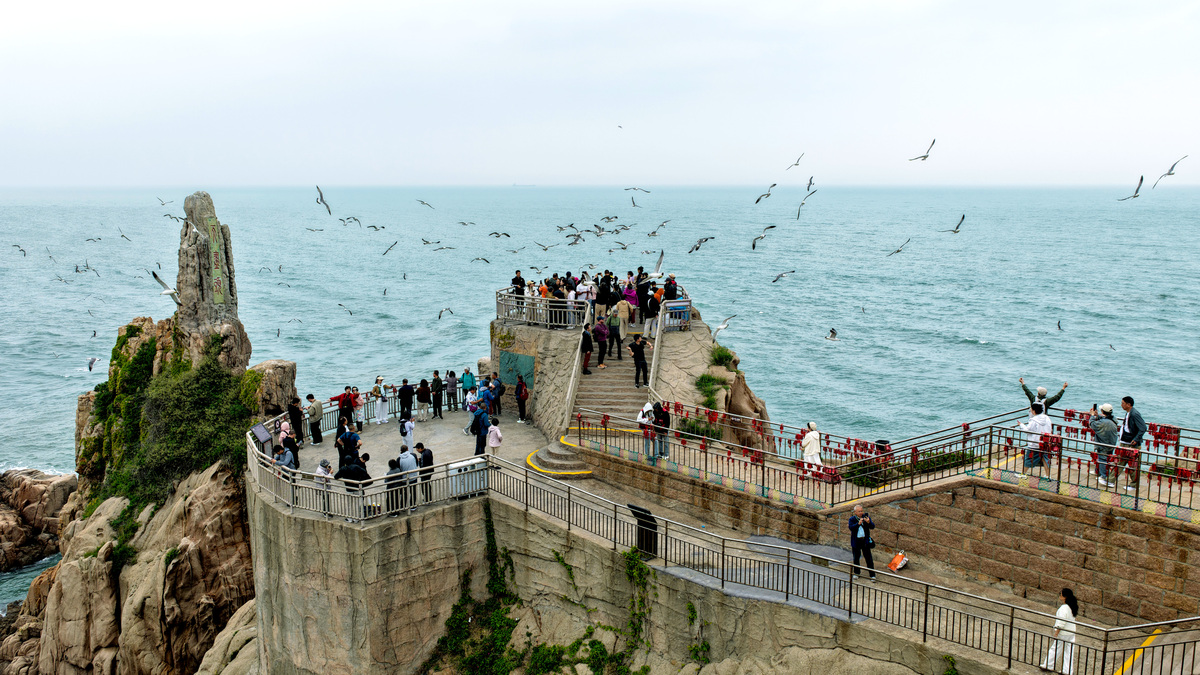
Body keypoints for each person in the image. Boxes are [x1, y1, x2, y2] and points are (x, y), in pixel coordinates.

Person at [1040, 589, 1079, 674]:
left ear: (1064, 597)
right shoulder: (1072, 606)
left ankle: (1048, 665)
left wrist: (1056, 632)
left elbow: (1061, 622)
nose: (1059, 596)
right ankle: (1067, 670)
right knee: (1069, 652)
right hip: (1071, 632)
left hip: (1063, 633)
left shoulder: (1064, 608)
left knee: (1055, 649)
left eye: (1061, 594)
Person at [1115, 396, 1148, 492]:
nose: (1121, 405)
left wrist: (1136, 439)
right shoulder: (1129, 413)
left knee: (1132, 465)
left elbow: (1143, 428)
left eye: (1123, 403)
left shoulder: (1134, 414)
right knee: (1120, 462)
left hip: (1131, 444)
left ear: (1128, 404)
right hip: (1126, 441)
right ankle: (1111, 480)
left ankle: (1134, 485)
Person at [1018, 402, 1053, 479]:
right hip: (1045, 442)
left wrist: (1021, 425)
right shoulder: (1047, 418)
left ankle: (1023, 474)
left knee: (1028, 459)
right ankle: (1048, 475)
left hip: (1035, 443)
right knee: (1045, 459)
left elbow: (1027, 430)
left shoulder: (1034, 420)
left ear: (1033, 411)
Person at [333, 453, 372, 521]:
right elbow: (364, 472)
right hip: (357, 488)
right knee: (357, 504)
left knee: (349, 504)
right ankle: (357, 519)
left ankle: (349, 518)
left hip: (349, 489)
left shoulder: (343, 469)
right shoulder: (356, 467)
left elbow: (336, 476)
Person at [1089, 403, 1119, 488]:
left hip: (1103, 443)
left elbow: (1092, 424)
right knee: (1106, 458)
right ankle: (1098, 471)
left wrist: (1092, 416)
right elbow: (1105, 419)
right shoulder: (1113, 419)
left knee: (1102, 459)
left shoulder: (1103, 422)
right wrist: (1097, 416)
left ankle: (1104, 477)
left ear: (1102, 411)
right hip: (1111, 442)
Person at [848, 505, 877, 581]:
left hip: (865, 541)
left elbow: (872, 526)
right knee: (856, 558)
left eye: (862, 511)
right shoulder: (852, 519)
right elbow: (851, 527)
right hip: (856, 541)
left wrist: (869, 522)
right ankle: (857, 573)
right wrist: (858, 524)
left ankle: (872, 575)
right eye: (859, 511)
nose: (861, 513)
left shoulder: (866, 517)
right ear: (855, 512)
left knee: (868, 558)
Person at [397, 444, 419, 512]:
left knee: (404, 493)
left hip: (404, 479)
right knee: (413, 492)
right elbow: (416, 464)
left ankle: (403, 506)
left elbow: (399, 470)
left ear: (401, 450)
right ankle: (413, 506)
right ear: (407, 449)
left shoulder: (399, 459)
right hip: (413, 477)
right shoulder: (413, 455)